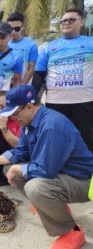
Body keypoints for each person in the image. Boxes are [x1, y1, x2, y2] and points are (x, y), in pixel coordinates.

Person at [0, 85, 93, 249]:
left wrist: (17, 169)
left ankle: (71, 231)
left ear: (29, 106)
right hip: (61, 173)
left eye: (15, 113)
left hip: (85, 181)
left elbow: (45, 170)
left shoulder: (51, 126)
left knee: (35, 188)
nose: (13, 117)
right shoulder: (30, 122)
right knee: (11, 171)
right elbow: (19, 152)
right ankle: (55, 208)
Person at [32, 8, 93, 151]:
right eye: (63, 21)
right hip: (56, 103)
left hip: (85, 102)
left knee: (86, 139)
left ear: (82, 22)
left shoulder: (91, 42)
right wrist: (33, 100)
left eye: (71, 20)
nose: (66, 23)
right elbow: (39, 76)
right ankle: (62, 170)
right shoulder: (48, 47)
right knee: (57, 139)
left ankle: (87, 172)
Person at [7, 12, 38, 85]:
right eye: (11, 29)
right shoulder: (4, 43)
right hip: (5, 87)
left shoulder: (31, 44)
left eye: (17, 29)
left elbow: (31, 68)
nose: (13, 31)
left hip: (23, 86)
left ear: (22, 27)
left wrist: (21, 86)